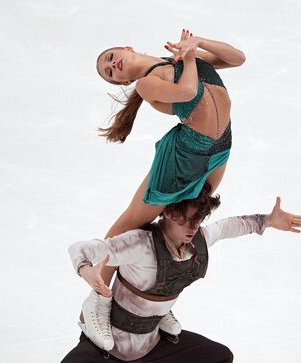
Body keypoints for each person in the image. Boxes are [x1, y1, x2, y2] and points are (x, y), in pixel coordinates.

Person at [85, 30, 247, 350]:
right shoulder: (147, 83)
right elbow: (187, 92)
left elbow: (236, 58)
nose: (112, 65)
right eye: (109, 72)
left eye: (109, 58)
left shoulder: (183, 58)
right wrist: (188, 55)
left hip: (219, 148)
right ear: (120, 82)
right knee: (132, 223)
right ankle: (98, 300)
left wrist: (197, 43)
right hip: (186, 153)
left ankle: (155, 307)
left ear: (126, 46)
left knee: (183, 226)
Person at [62, 184, 301, 362]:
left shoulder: (198, 240)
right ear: (169, 213)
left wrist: (267, 220)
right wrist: (87, 271)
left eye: (199, 220)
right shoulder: (140, 244)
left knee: (219, 357)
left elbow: (230, 226)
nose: (193, 228)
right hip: (109, 349)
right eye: (187, 220)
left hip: (153, 346)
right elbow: (80, 248)